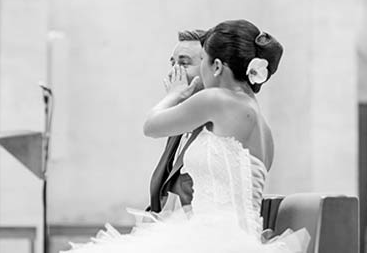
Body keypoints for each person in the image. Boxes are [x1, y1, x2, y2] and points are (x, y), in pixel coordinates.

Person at [64, 20, 309, 253]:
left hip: (214, 239)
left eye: (201, 60)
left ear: (216, 66)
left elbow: (151, 126)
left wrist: (176, 94)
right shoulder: (262, 126)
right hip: (241, 239)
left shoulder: (217, 99)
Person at [147, 29, 207, 214]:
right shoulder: (180, 122)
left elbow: (150, 127)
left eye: (184, 63)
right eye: (172, 63)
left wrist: (173, 96)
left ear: (212, 68)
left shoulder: (218, 124)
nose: (174, 72)